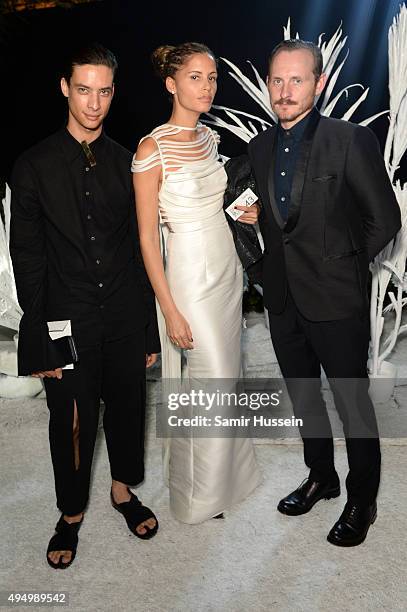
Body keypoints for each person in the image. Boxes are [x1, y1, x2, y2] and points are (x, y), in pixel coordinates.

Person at [10, 43, 160, 570]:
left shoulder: (129, 163)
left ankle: (123, 491)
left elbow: (142, 252)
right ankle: (70, 512)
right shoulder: (33, 167)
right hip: (64, 315)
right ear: (64, 88)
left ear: (114, 92)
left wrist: (147, 331)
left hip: (122, 312)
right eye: (82, 90)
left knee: (127, 406)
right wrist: (41, 336)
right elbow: (26, 258)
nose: (93, 103)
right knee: (70, 419)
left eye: (103, 91)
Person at [248, 39, 401, 546]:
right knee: (304, 397)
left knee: (352, 402)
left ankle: (362, 498)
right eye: (277, 80)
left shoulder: (350, 139)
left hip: (336, 299)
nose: (285, 91)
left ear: (319, 83)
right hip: (283, 298)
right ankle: (322, 477)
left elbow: (385, 219)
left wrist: (344, 267)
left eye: (297, 80)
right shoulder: (259, 145)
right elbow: (274, 218)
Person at [132, 42, 262, 524]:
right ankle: (198, 499)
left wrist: (251, 212)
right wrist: (168, 309)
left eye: (211, 78)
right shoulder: (152, 148)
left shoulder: (209, 140)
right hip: (188, 277)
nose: (206, 86)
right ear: (171, 84)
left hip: (227, 270)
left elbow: (224, 204)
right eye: (195, 77)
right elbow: (147, 239)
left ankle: (228, 481)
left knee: (227, 381)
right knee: (207, 382)